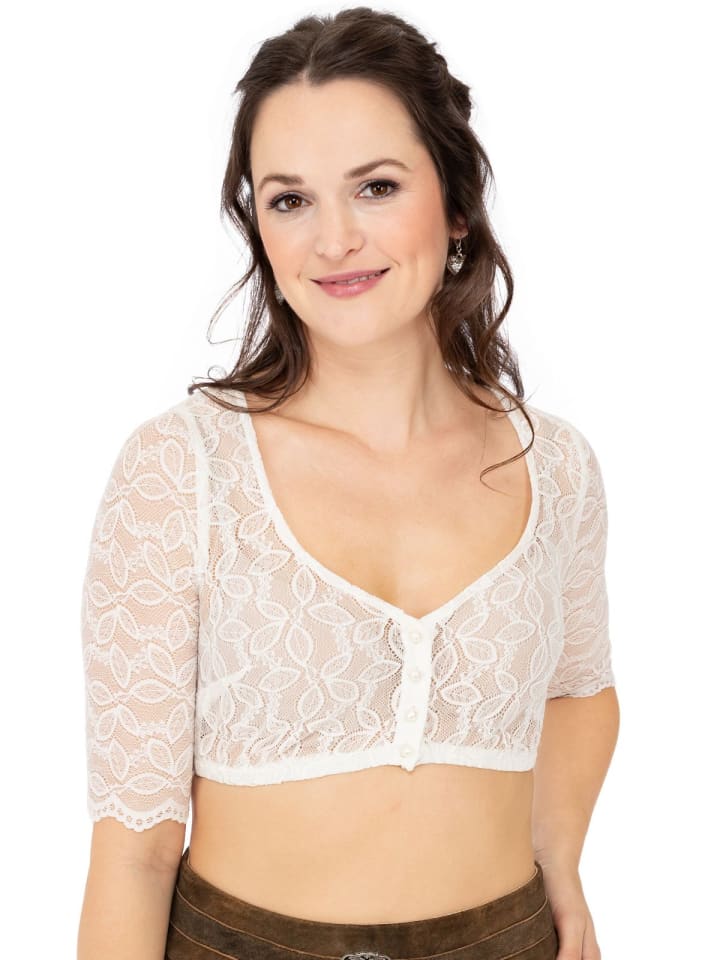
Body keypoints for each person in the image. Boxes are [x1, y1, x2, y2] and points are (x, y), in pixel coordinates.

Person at [76, 7, 620, 960]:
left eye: (375, 187)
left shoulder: (555, 465)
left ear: (456, 202)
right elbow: (136, 849)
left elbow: (580, 690)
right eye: (290, 200)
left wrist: (559, 860)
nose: (333, 240)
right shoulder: (181, 472)